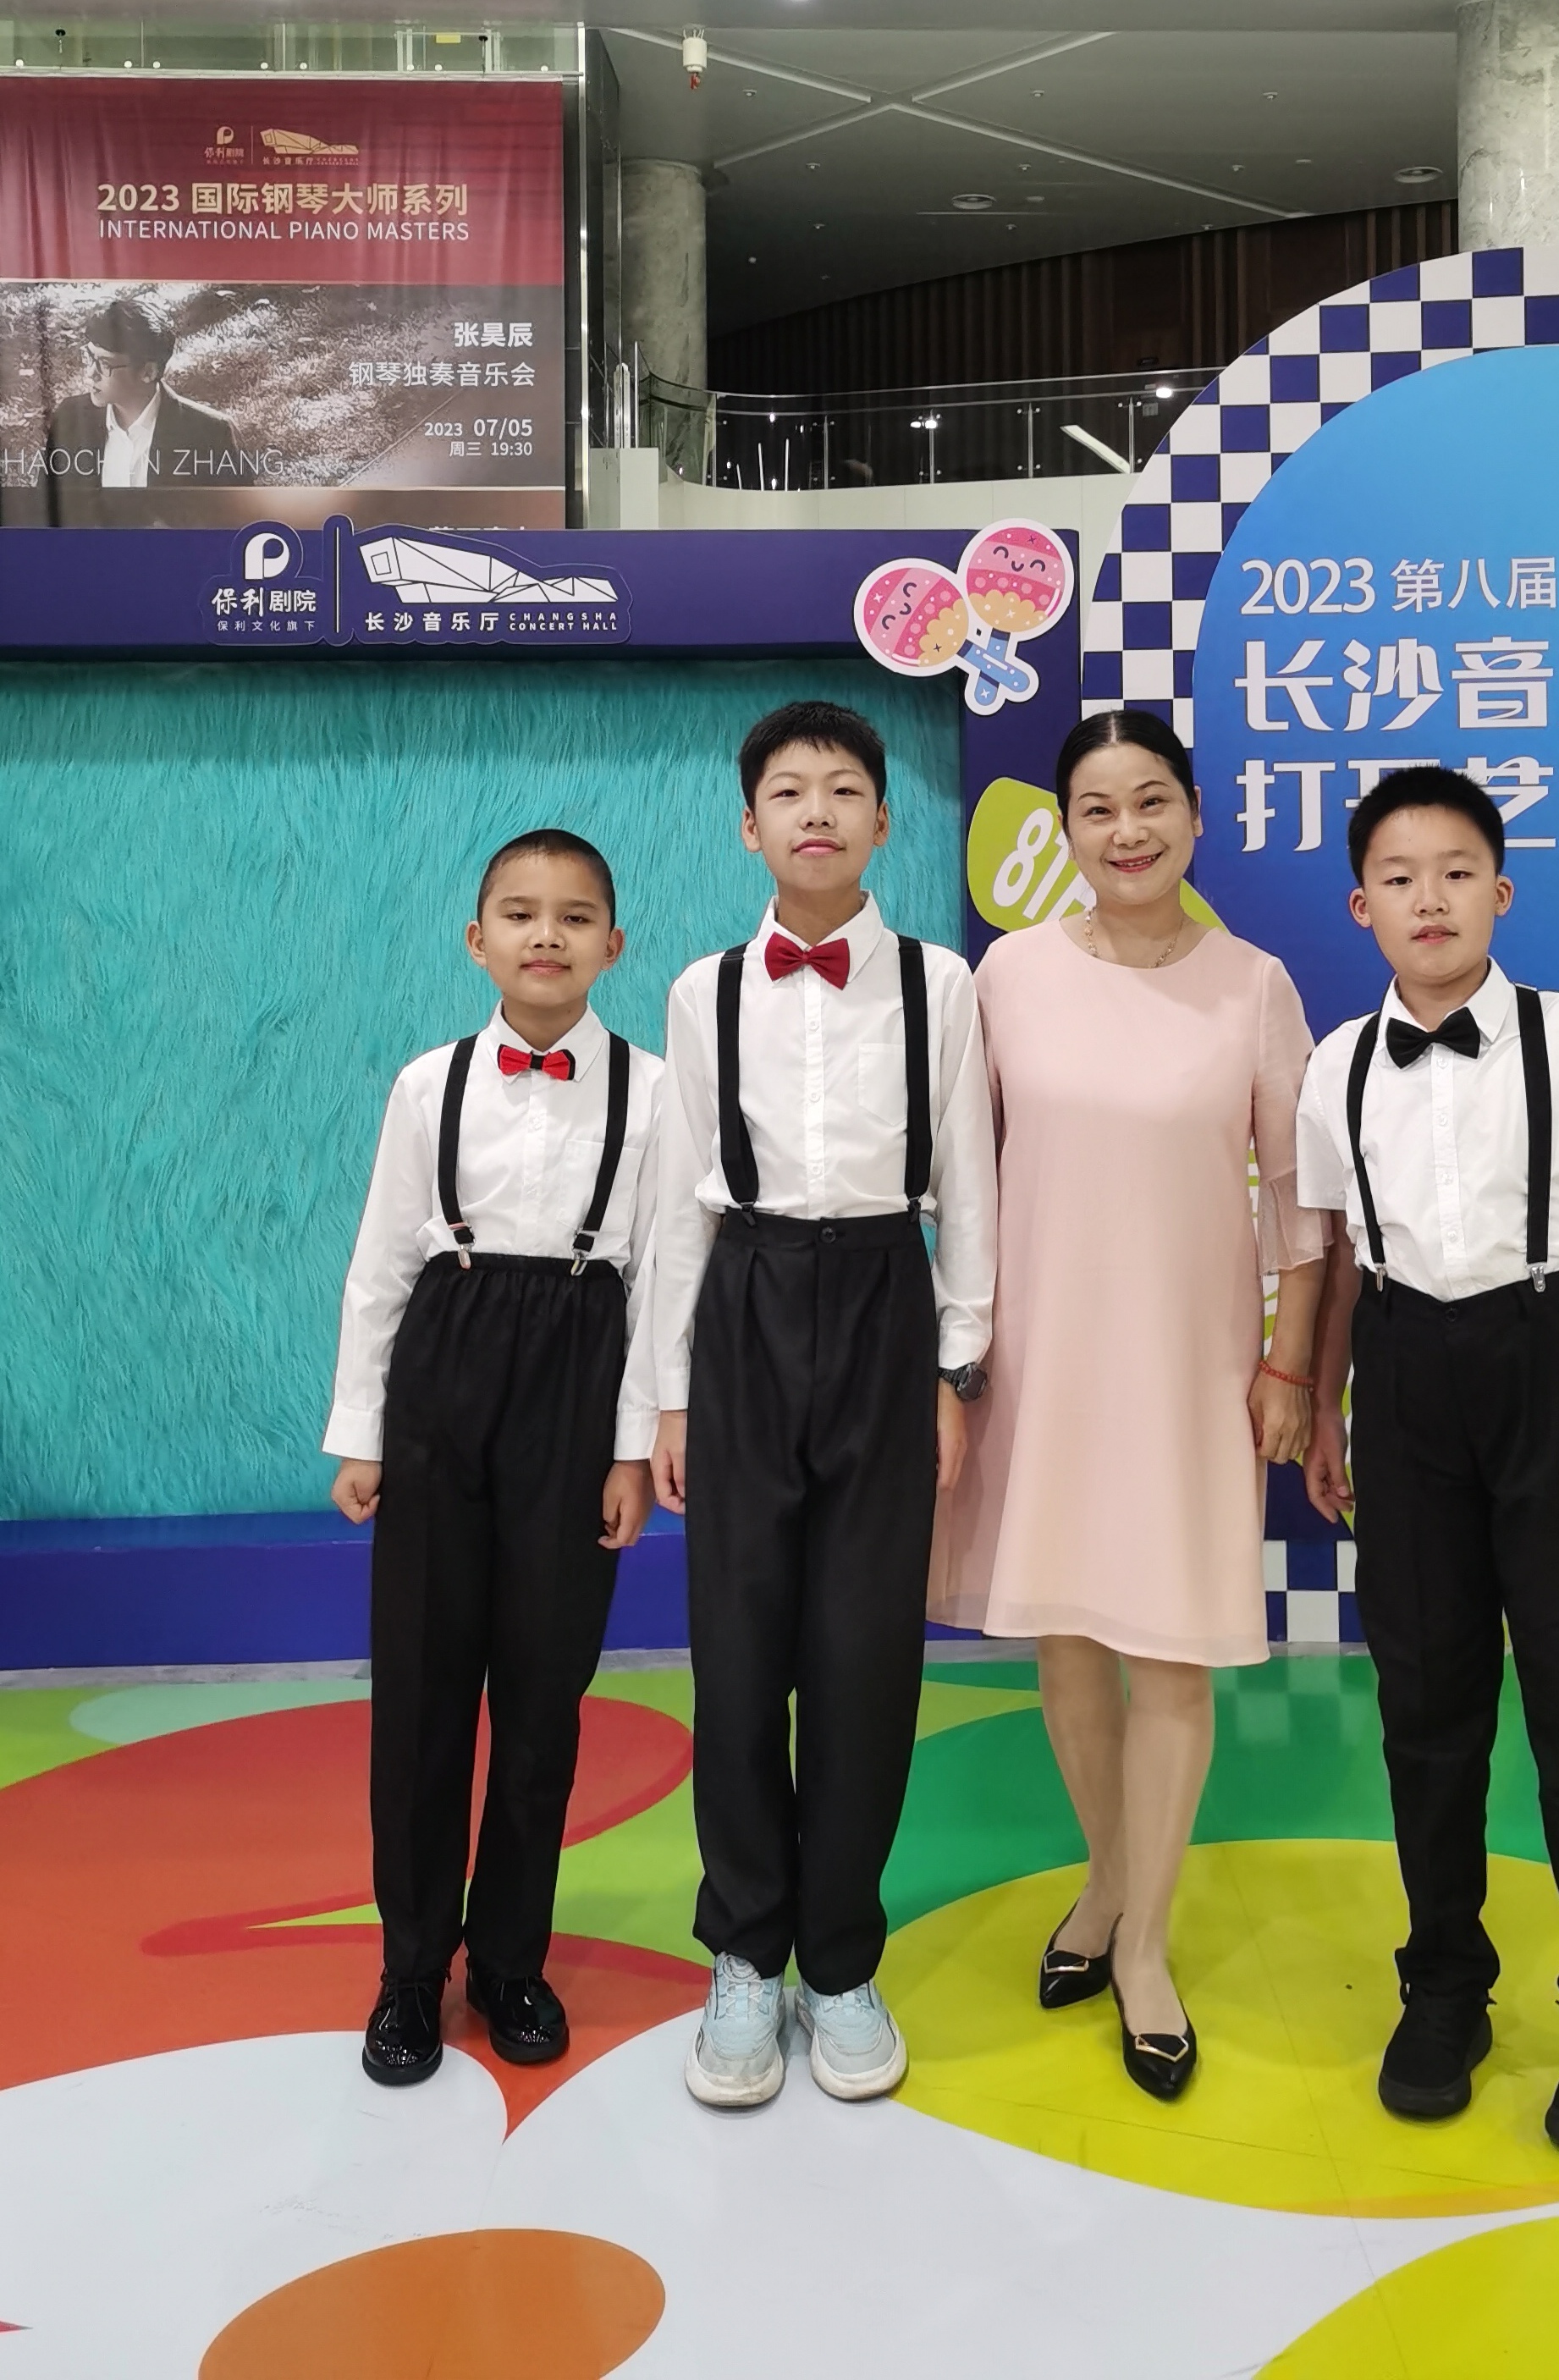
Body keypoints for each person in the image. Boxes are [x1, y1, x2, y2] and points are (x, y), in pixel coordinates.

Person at [1298, 766, 1559, 2159]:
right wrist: (1322, 1406)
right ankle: (1442, 1989)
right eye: (1398, 876)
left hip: (1555, 1361)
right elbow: (1336, 1256)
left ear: (1501, 891)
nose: (1429, 897)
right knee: (1425, 1707)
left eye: (1456, 870)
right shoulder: (1335, 1066)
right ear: (1360, 907)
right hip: (1403, 1375)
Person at [937, 708, 1326, 2101]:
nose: (1127, 831)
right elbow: (963, 1176)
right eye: (1096, 809)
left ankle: (1145, 1947)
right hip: (1042, 1357)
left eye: (1151, 800)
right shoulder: (1009, 975)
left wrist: (1288, 1368)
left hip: (1188, 1365)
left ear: (1195, 816)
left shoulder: (1253, 986)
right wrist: (956, 1356)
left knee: (1167, 1653)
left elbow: (1299, 1205)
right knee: (1066, 1641)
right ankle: (1106, 1885)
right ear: (1064, 831)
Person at [642, 700, 996, 2110]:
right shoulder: (703, 989)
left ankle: (840, 1958)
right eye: (787, 791)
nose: (816, 811)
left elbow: (969, 1182)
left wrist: (955, 1368)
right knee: (736, 1649)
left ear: (881, 823)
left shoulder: (939, 984)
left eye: (843, 789)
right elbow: (678, 1203)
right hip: (743, 1300)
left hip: (882, 1300)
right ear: (749, 827)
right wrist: (669, 1396)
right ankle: (745, 1951)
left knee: (863, 1651)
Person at [326, 829, 663, 2086]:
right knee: (420, 1690)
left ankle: (513, 1957)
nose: (545, 935)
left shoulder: (655, 1090)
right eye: (519, 913)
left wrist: (630, 1450)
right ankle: (411, 1967)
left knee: (541, 1693)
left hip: (579, 1369)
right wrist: (362, 1432)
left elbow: (662, 1286)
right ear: (478, 940)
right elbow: (380, 1264)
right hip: (445, 1369)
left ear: (612, 945)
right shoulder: (429, 1084)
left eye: (574, 917)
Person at [44, 297, 250, 504]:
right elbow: (46, 508)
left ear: (148, 372)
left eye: (104, 364)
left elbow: (240, 515)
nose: (91, 373)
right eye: (90, 357)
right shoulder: (70, 417)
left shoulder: (212, 434)